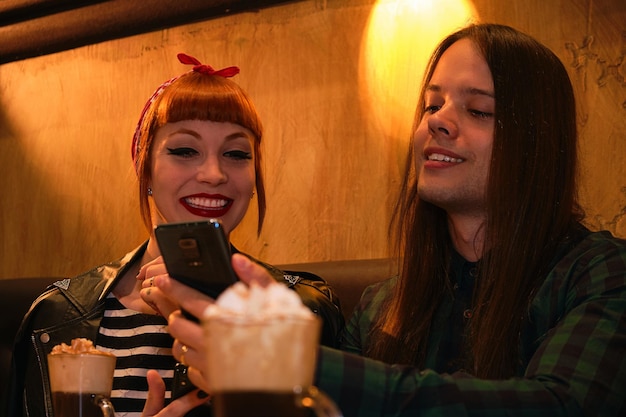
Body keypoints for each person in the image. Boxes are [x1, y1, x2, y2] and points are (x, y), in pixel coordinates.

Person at [143, 24, 626, 417]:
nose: (438, 120)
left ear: (539, 147)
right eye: (432, 104)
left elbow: (562, 404)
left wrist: (295, 362)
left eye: (478, 110)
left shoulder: (600, 275)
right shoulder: (382, 307)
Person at [5, 53, 344, 417]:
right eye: (184, 150)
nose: (213, 173)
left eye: (236, 153)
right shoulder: (56, 316)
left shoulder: (301, 310)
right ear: (145, 166)